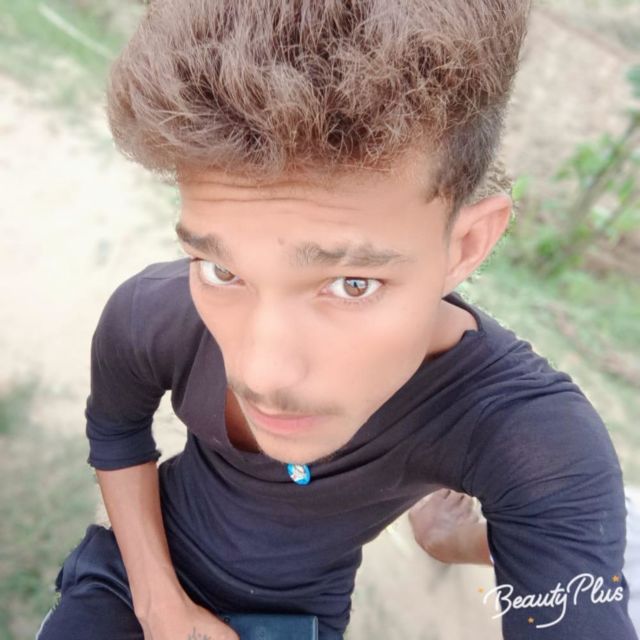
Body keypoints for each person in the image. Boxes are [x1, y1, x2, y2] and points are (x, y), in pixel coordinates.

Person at [36, 1, 638, 639]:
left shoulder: (526, 435)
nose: (261, 373)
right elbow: (117, 431)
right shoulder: (153, 314)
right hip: (128, 578)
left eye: (352, 283)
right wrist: (160, 605)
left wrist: (462, 541)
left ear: (465, 246)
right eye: (220, 268)